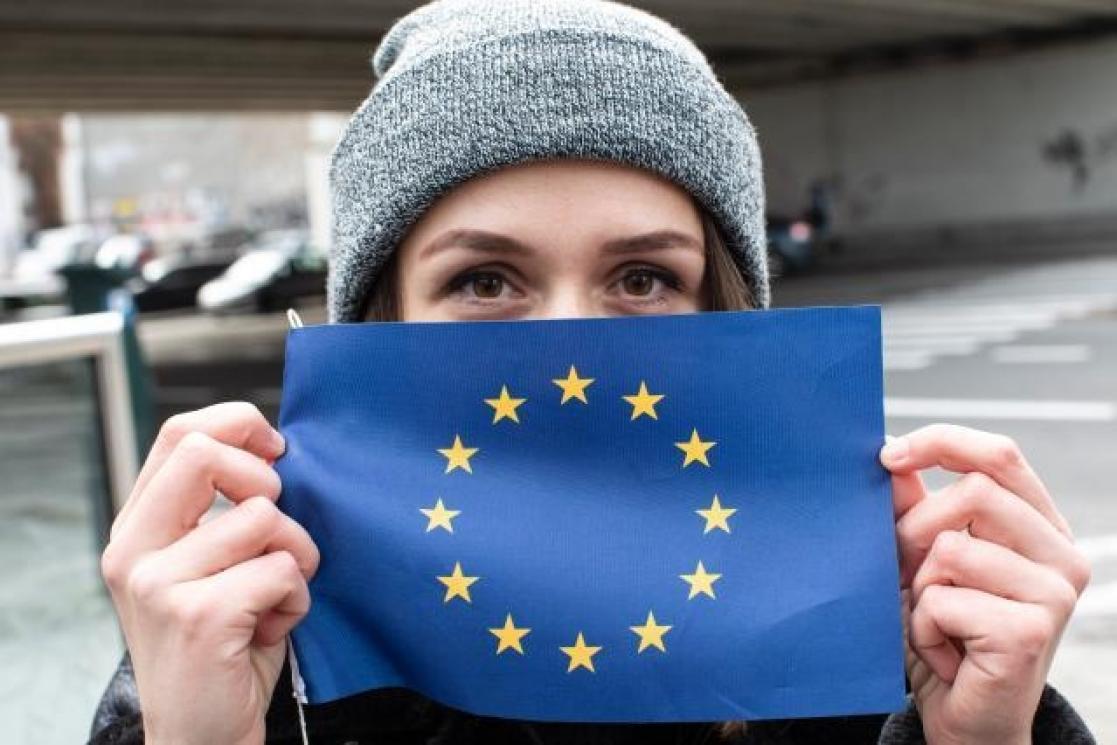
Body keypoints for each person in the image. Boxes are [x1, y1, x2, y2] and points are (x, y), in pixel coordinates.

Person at [89, 1, 1095, 743]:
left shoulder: (869, 665)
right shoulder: (251, 660)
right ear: (378, 319)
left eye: (644, 277)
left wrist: (982, 739)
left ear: (727, 312)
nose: (569, 351)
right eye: (485, 279)